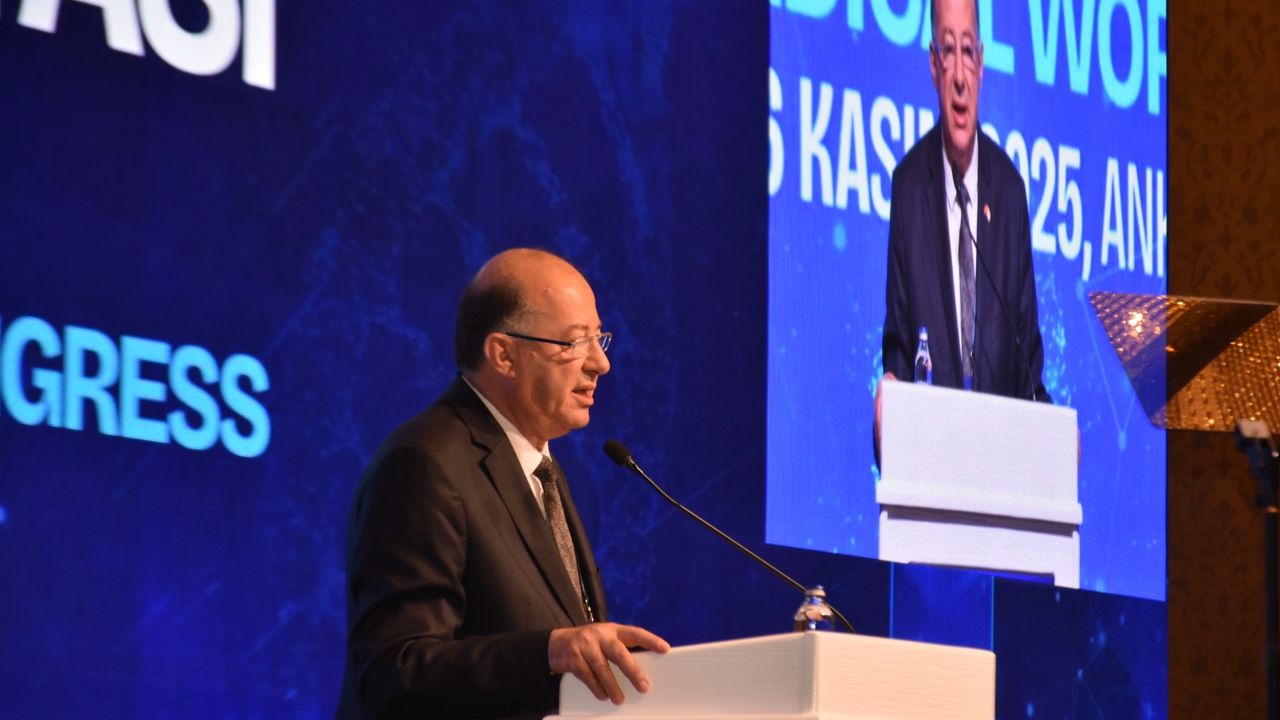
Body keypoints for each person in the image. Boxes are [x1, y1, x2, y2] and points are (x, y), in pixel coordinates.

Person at [337, 248, 669, 720]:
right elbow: (394, 668)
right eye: (575, 342)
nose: (600, 362)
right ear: (503, 355)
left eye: (599, 338)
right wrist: (549, 652)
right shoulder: (424, 464)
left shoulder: (538, 467)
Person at [878, 0, 1050, 440]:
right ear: (933, 66)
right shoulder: (909, 187)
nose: (959, 76)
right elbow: (899, 352)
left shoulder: (1009, 193)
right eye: (949, 51)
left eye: (968, 52)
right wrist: (889, 402)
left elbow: (1029, 368)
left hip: (1001, 457)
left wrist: (1056, 433)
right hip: (931, 451)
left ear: (982, 64)